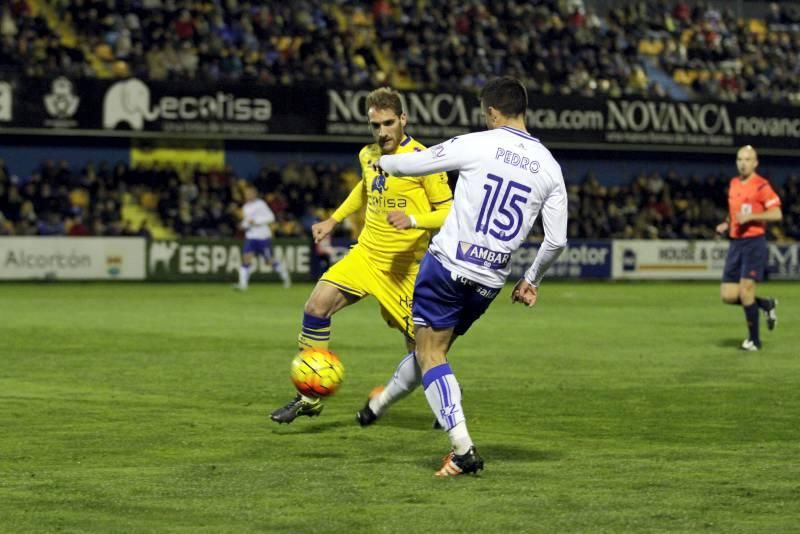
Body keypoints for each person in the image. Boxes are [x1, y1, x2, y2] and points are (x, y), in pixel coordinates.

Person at [360, 76, 568, 477]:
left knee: (430, 354)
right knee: (431, 352)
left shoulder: (478, 142)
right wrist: (532, 279)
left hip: (447, 266)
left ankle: (462, 448)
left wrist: (381, 162)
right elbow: (556, 240)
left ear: (491, 112)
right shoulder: (550, 167)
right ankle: (379, 403)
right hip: (489, 280)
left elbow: (414, 162)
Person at [270, 87, 454, 423]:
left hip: (405, 268)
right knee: (316, 306)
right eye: (375, 125)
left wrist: (414, 220)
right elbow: (365, 188)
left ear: (403, 120)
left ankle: (442, 407)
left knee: (424, 348)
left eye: (388, 123)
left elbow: (448, 211)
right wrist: (334, 219)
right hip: (367, 254)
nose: (382, 132)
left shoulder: (426, 160)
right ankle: (308, 395)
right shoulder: (368, 155)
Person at [715, 145, 781, 351]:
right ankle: (764, 305)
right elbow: (734, 212)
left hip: (754, 243)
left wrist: (752, 216)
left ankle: (754, 340)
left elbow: (776, 214)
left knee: (745, 291)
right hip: (736, 243)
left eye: (747, 159)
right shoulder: (734, 183)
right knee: (727, 295)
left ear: (755, 163)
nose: (743, 163)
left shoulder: (762, 186)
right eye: (740, 159)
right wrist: (727, 223)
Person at [236, 184, 291, 290]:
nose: (247, 195)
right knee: (246, 258)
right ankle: (242, 285)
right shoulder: (245, 207)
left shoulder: (261, 204)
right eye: (246, 194)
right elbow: (247, 222)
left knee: (269, 261)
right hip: (251, 237)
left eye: (249, 193)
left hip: (263, 237)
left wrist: (256, 221)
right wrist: (243, 225)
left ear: (254, 194)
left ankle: (284, 275)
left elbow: (271, 217)